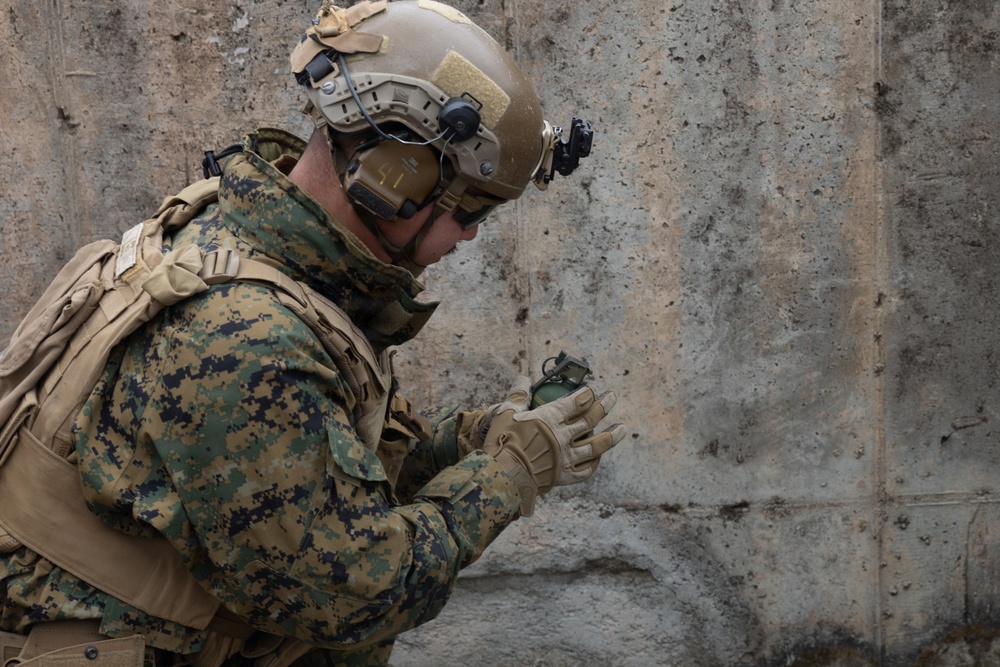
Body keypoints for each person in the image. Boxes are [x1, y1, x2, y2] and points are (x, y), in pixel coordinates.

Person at [0, 2, 625, 666]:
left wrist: (467, 440)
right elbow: (358, 590)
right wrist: (505, 477)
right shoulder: (244, 338)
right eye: (470, 207)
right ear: (396, 177)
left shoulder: (250, 236)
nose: (469, 234)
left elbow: (322, 464)